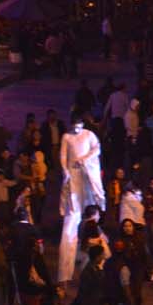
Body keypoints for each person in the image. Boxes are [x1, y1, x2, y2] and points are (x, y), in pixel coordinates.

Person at [59, 115, 106, 282]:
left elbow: (97, 148)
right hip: (74, 177)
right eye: (74, 126)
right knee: (72, 217)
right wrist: (65, 171)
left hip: (86, 175)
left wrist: (85, 159)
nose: (77, 129)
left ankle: (90, 261)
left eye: (79, 126)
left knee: (90, 213)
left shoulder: (88, 135)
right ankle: (65, 274)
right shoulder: (66, 137)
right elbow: (63, 156)